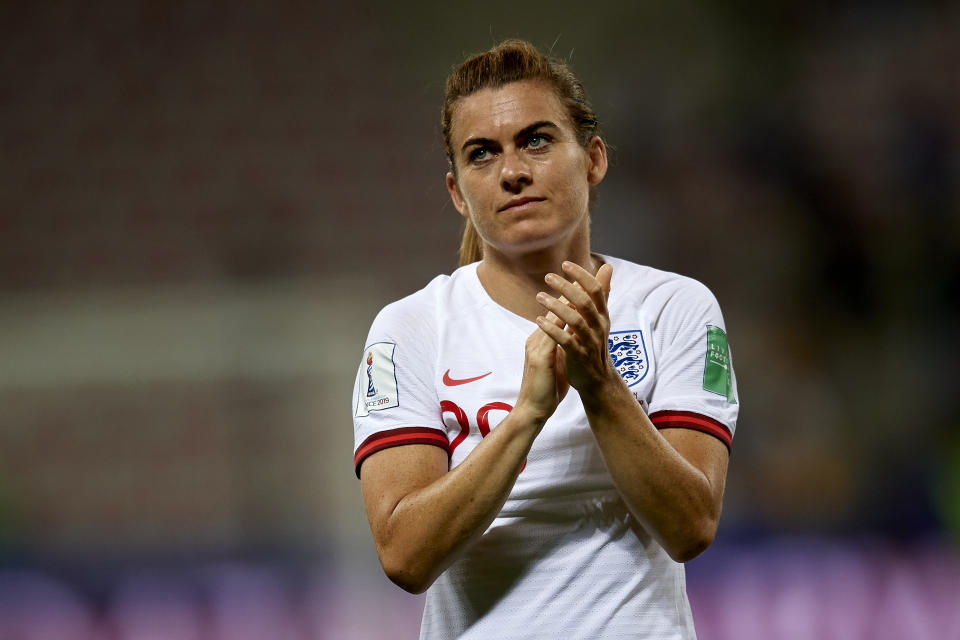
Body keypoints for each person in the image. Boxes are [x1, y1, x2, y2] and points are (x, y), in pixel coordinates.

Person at [351, 39, 738, 639]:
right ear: (457, 193)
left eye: (536, 139)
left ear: (594, 159)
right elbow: (404, 556)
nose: (512, 172)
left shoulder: (674, 307)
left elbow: (691, 527)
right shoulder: (409, 330)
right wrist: (527, 414)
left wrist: (600, 383)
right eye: (482, 154)